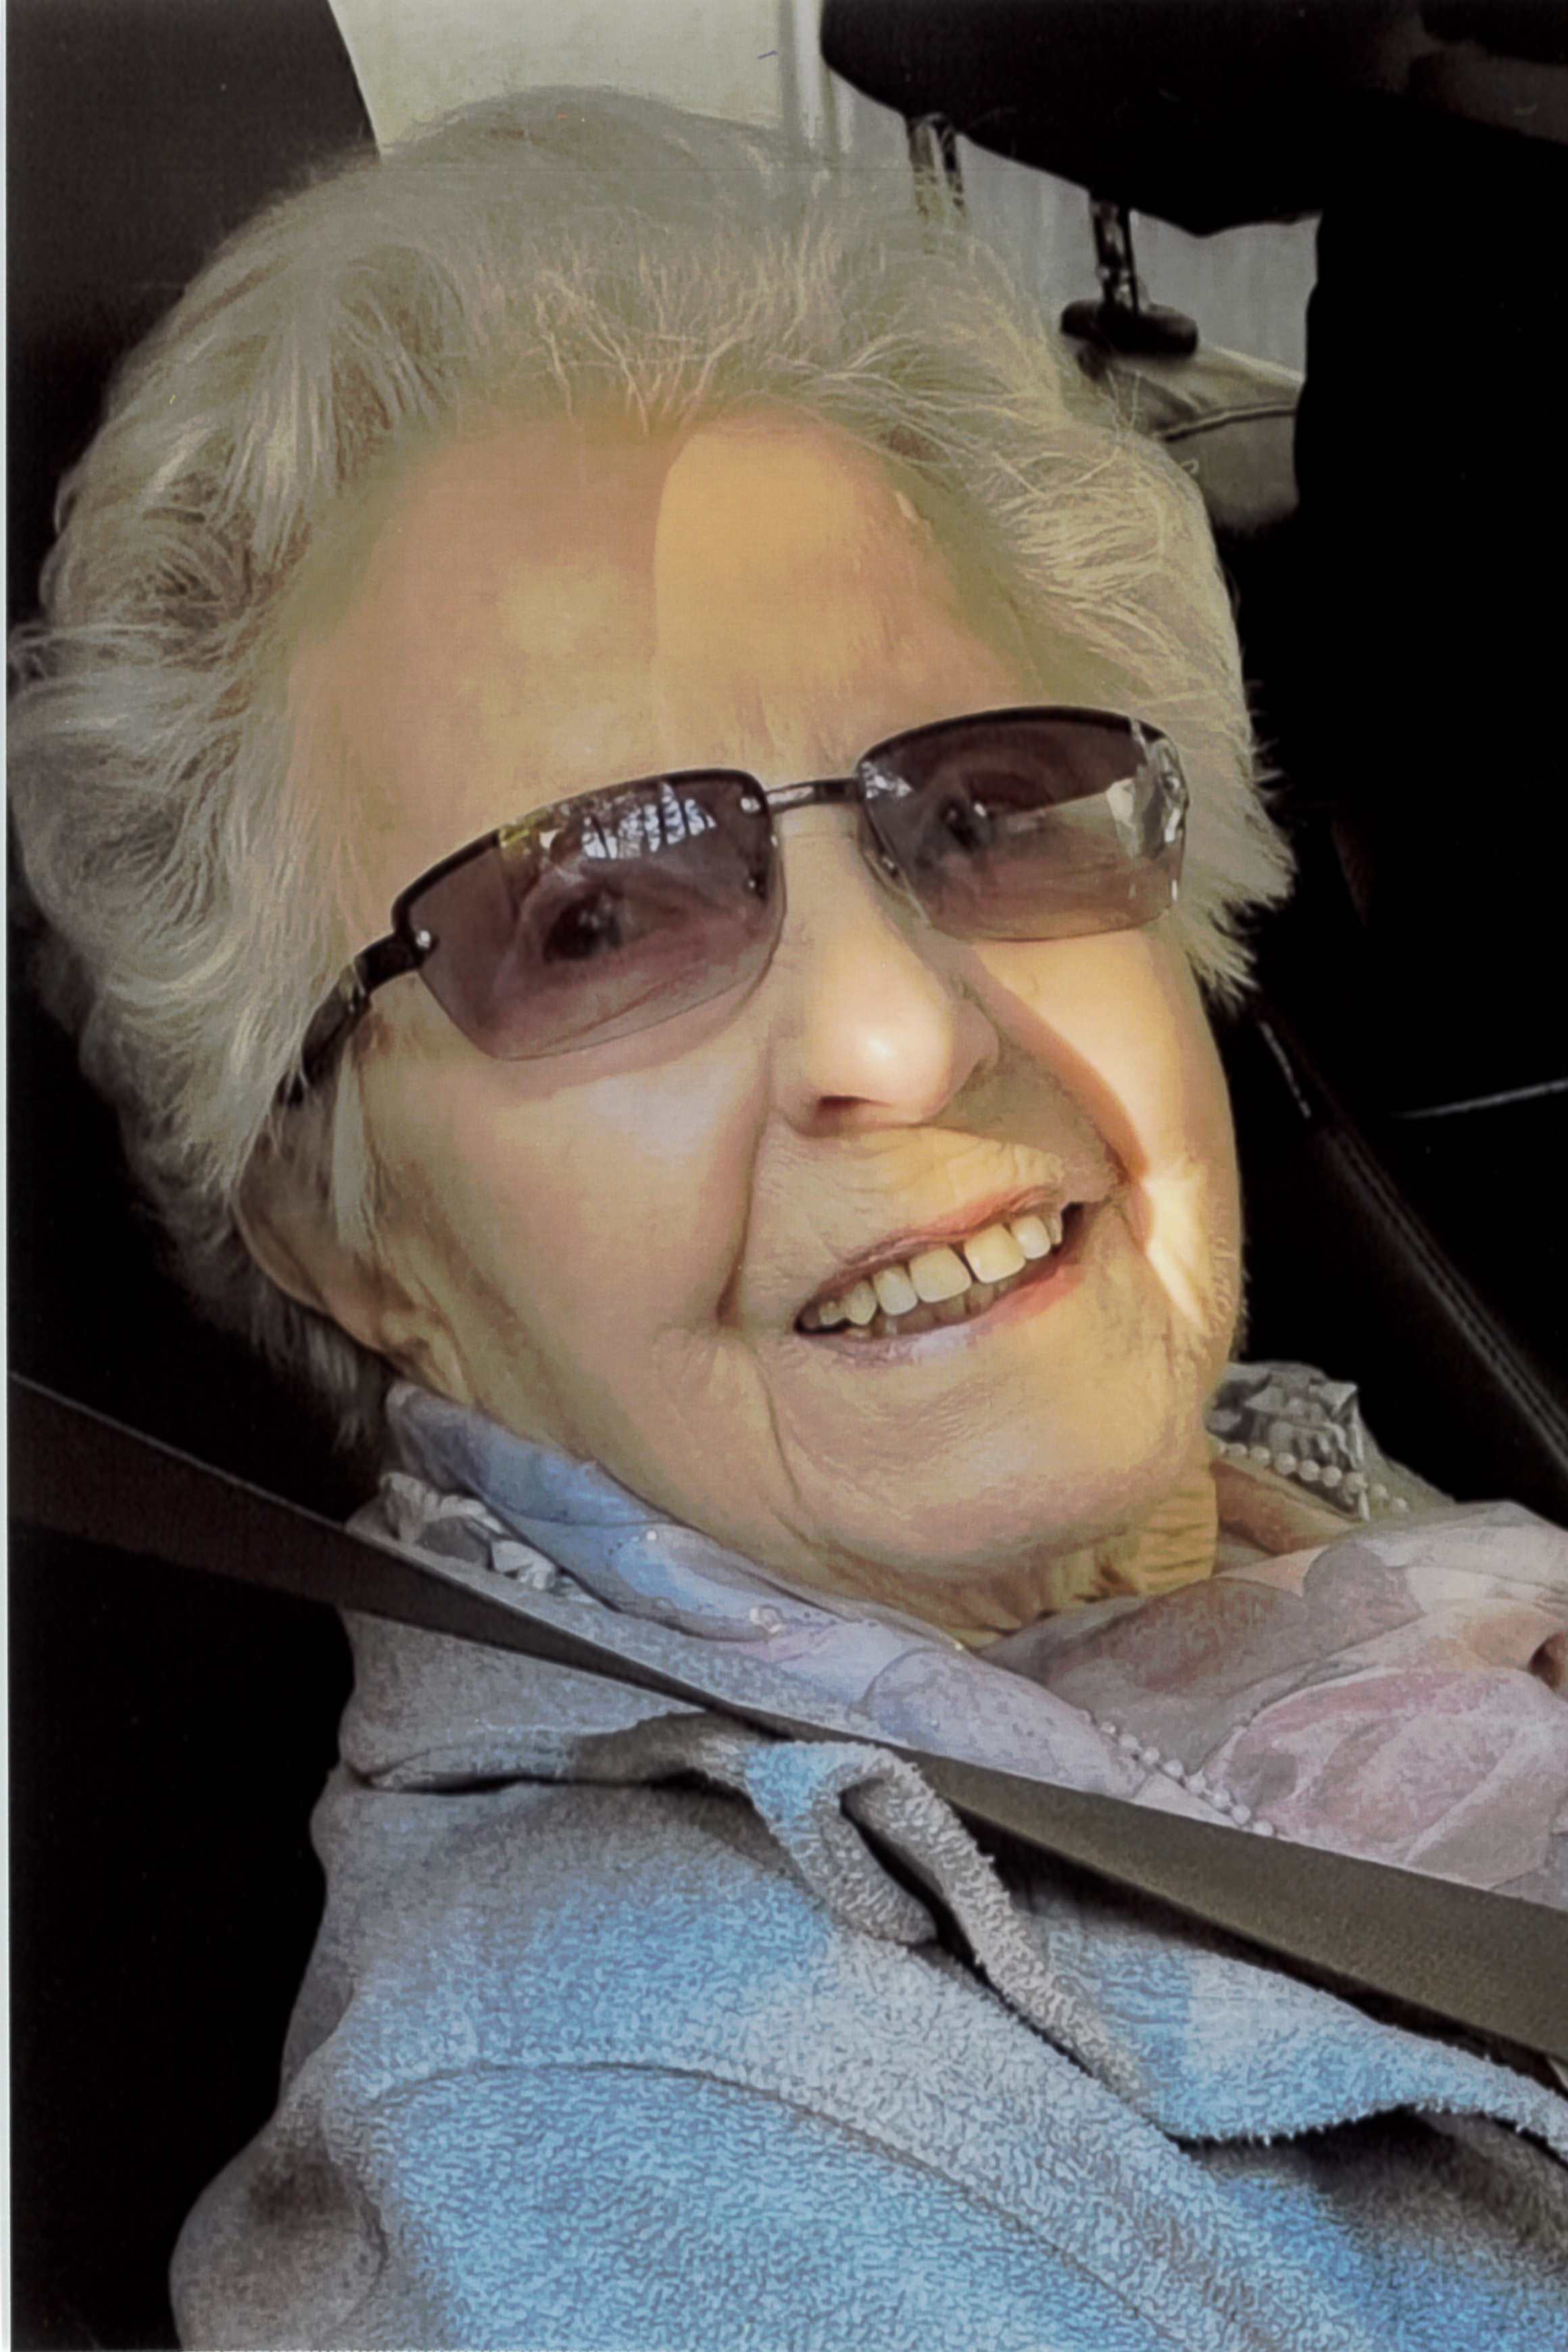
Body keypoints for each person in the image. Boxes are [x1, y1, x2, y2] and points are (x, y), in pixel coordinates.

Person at [10, 89, 1567, 2352]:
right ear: (352, 1239)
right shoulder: (634, 2165)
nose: (904, 1034)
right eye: (590, 919)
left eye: (987, 804)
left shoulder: (1241, 1495)